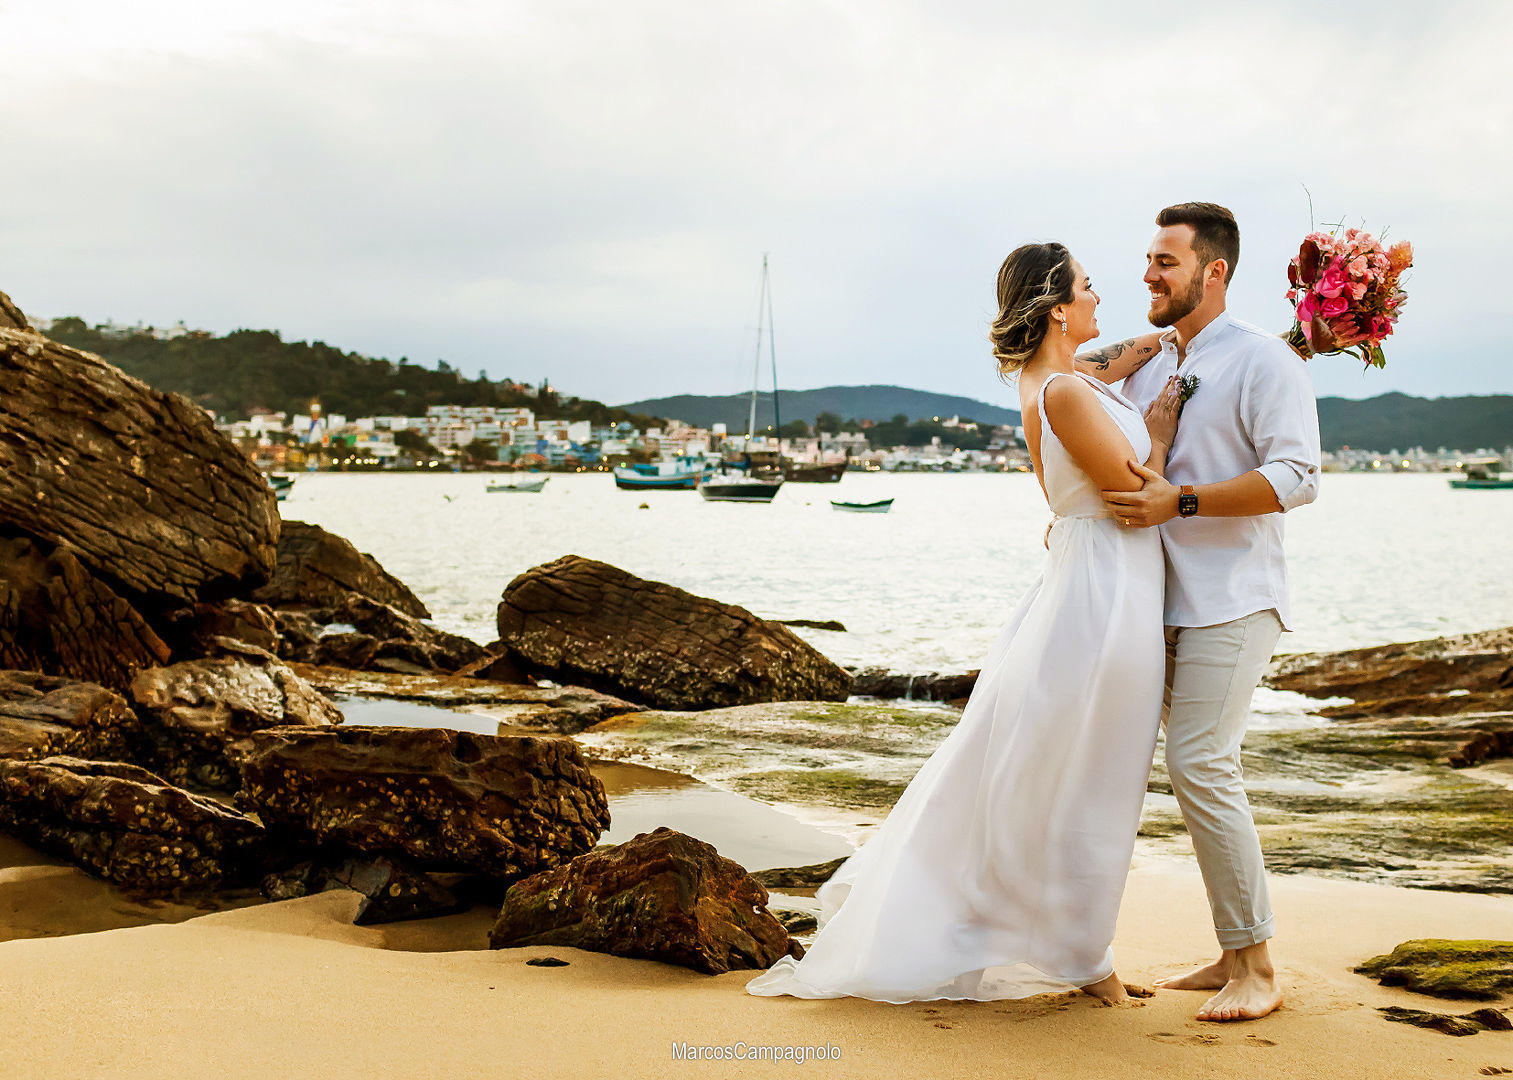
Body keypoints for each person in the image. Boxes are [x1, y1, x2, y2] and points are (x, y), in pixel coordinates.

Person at [745, 242, 1183, 1006]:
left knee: (1068, 773)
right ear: (1057, 308)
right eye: (1087, 288)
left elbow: (1114, 362)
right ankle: (1084, 959)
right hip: (1102, 591)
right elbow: (1127, 488)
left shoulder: (1055, 381)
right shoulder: (1068, 394)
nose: (1098, 299)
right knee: (1087, 778)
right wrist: (1161, 430)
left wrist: (1173, 340)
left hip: (1096, 581)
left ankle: (1078, 949)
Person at [1078, 202, 1322, 1022]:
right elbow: (1070, 372)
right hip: (1149, 601)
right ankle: (1228, 953)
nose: (1146, 275)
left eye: (1164, 263)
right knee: (1170, 770)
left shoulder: (1264, 361)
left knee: (1200, 764)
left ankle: (1255, 963)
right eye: (1147, 260)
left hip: (1232, 597)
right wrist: (1149, 342)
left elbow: (1297, 477)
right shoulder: (1149, 362)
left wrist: (1180, 501)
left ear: (1213, 271)